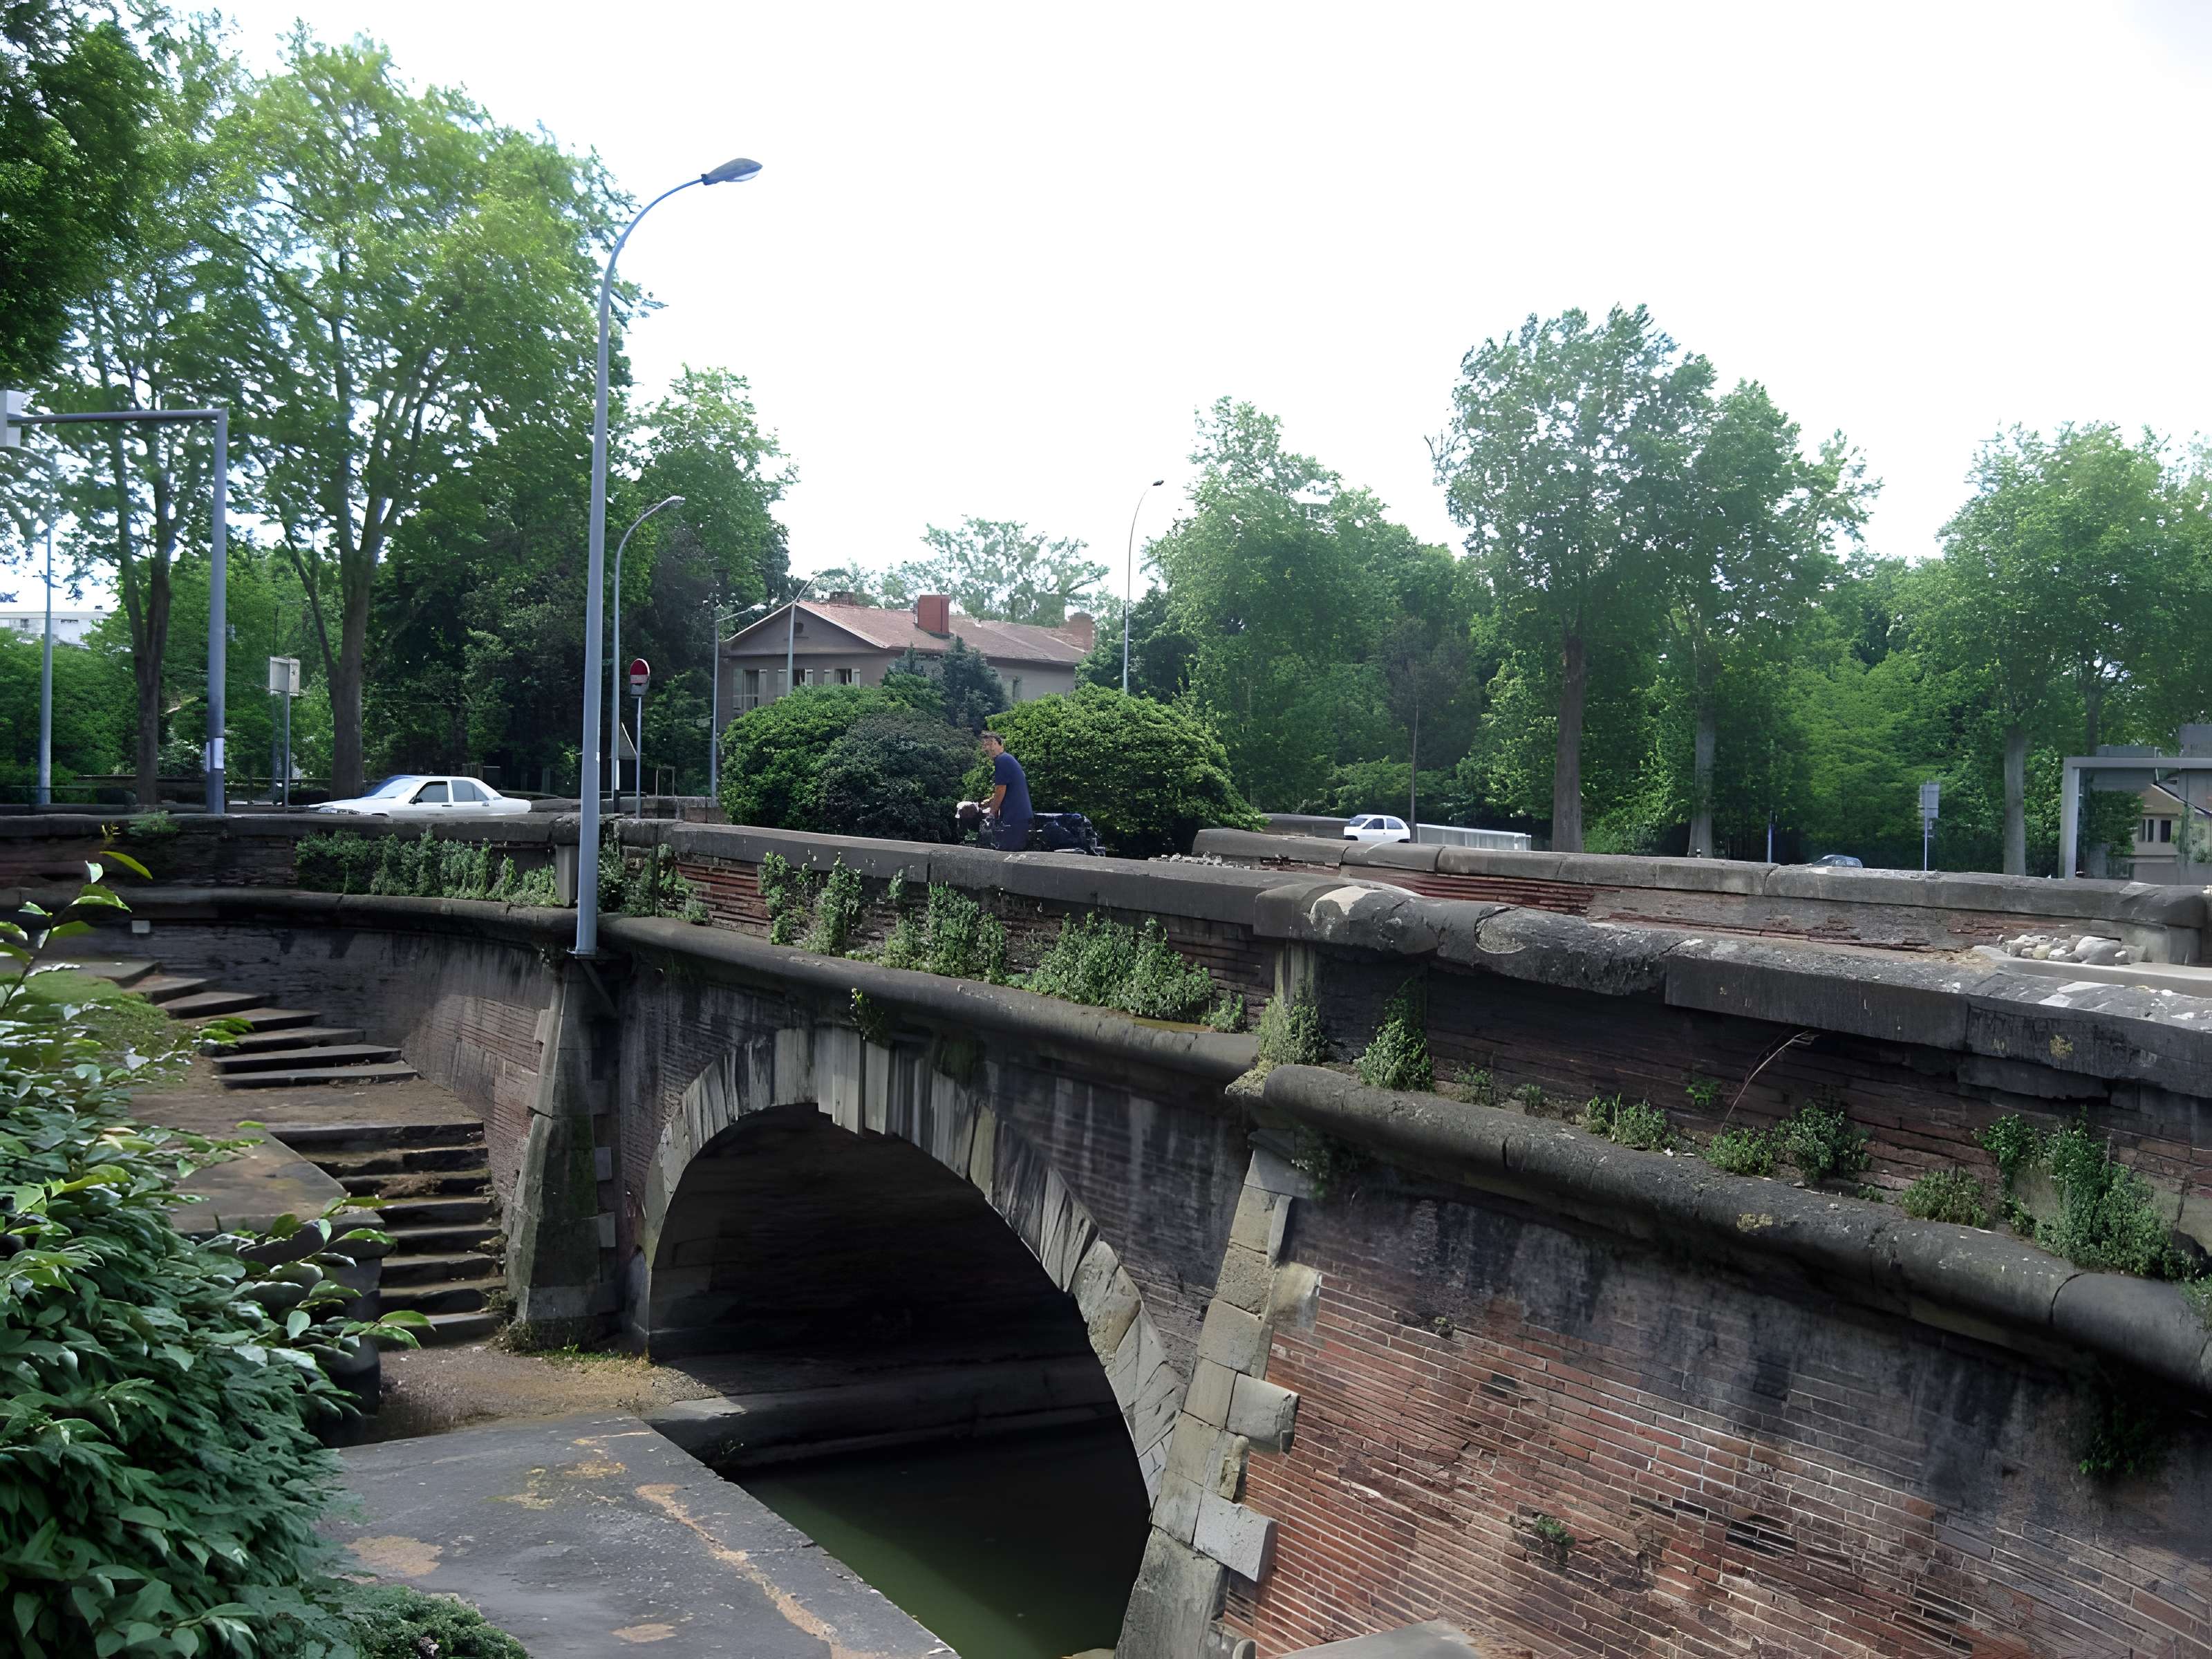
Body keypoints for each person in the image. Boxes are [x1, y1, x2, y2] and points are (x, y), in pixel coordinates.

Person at [978, 729, 1031, 852]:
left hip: (1014, 819)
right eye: (984, 745)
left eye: (989, 744)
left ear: (998, 744)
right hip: (1020, 817)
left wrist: (992, 813)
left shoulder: (1002, 761)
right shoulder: (1008, 759)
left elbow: (1000, 790)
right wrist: (991, 801)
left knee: (1007, 854)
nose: (987, 748)